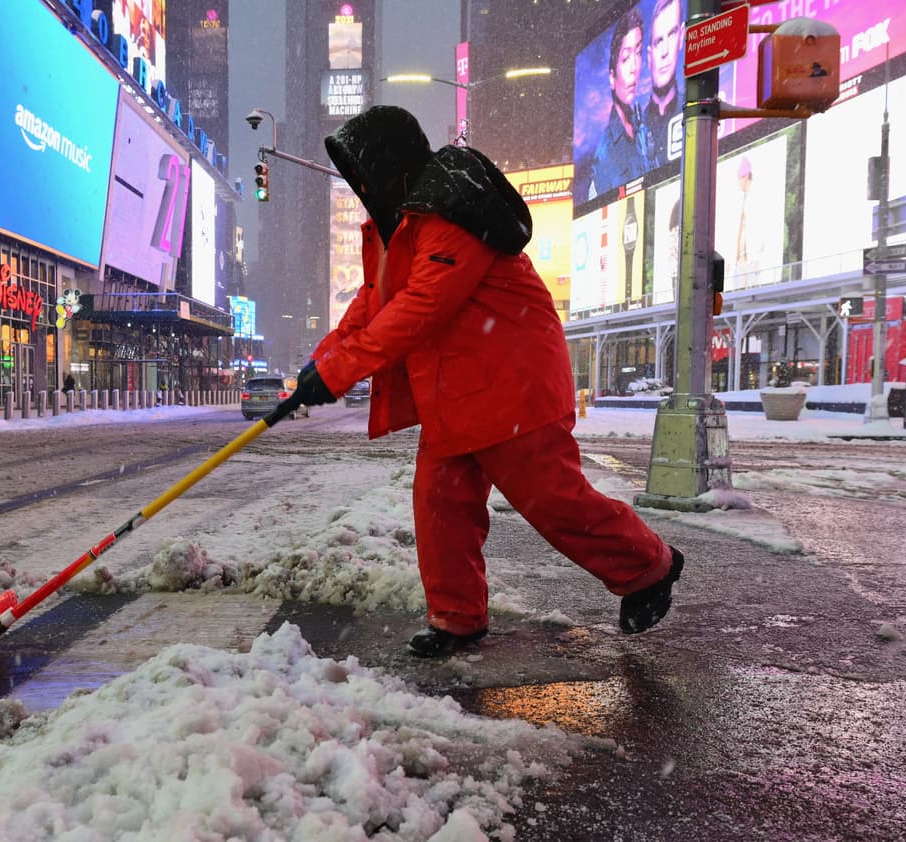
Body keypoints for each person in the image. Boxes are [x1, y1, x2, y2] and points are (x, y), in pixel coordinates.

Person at [287, 105, 684, 657]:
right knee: (440, 506)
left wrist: (338, 371)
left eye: (362, 172)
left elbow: (419, 308)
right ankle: (457, 619)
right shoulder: (399, 228)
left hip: (510, 387)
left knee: (555, 502)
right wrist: (320, 364)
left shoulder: (450, 216)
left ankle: (650, 568)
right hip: (455, 395)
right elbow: (372, 304)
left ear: (388, 165)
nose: (359, 186)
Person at [588, 9, 654, 199]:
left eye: (638, 53)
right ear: (612, 76)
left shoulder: (642, 124)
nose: (634, 68)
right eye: (625, 58)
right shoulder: (604, 155)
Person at [643, 0, 685, 169]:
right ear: (649, 55)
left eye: (672, 34)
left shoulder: (694, 114)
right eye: (658, 41)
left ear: (681, 37)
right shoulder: (636, 130)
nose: (665, 51)